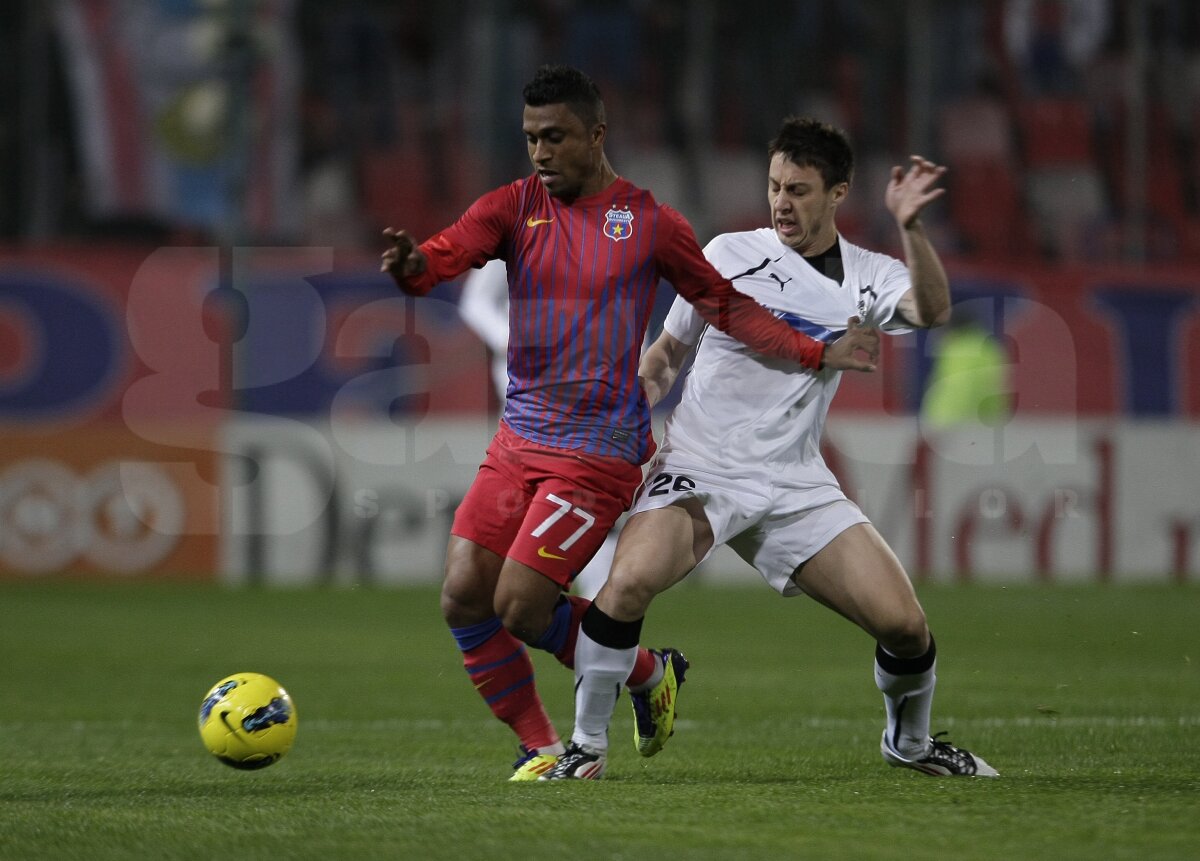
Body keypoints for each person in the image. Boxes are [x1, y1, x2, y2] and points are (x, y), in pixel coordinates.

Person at [381, 68, 877, 780]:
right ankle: (578, 720)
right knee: (462, 592)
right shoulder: (514, 207)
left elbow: (725, 306)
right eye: (530, 139)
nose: (540, 153)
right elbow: (448, 251)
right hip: (518, 440)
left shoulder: (648, 223)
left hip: (598, 452)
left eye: (555, 137)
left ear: (596, 135)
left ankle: (622, 692)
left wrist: (812, 350)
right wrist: (412, 269)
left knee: (520, 605)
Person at [542, 117, 998, 780]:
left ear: (838, 192)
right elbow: (668, 354)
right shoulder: (729, 253)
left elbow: (930, 311)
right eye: (775, 185)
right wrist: (630, 409)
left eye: (800, 189)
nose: (782, 201)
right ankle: (586, 746)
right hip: (701, 466)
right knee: (629, 581)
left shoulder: (869, 276)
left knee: (905, 626)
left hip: (794, 481)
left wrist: (913, 227)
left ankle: (910, 741)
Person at [457, 257, 616, 600]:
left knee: (585, 507)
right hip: (523, 408)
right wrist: (510, 340)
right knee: (514, 515)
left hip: (588, 401)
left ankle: (596, 614)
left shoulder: (611, 229)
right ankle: (524, 605)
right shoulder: (515, 225)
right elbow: (475, 301)